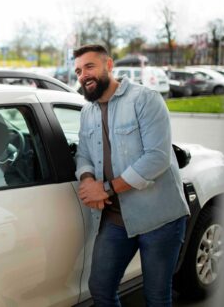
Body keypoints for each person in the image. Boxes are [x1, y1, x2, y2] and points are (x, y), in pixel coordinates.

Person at [73, 44, 190, 307]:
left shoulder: (144, 99)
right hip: (115, 219)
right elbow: (83, 155)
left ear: (109, 65)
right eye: (79, 71)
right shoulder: (86, 112)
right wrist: (88, 180)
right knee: (100, 288)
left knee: (157, 296)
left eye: (89, 66)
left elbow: (157, 157)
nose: (83, 75)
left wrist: (106, 189)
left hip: (159, 218)